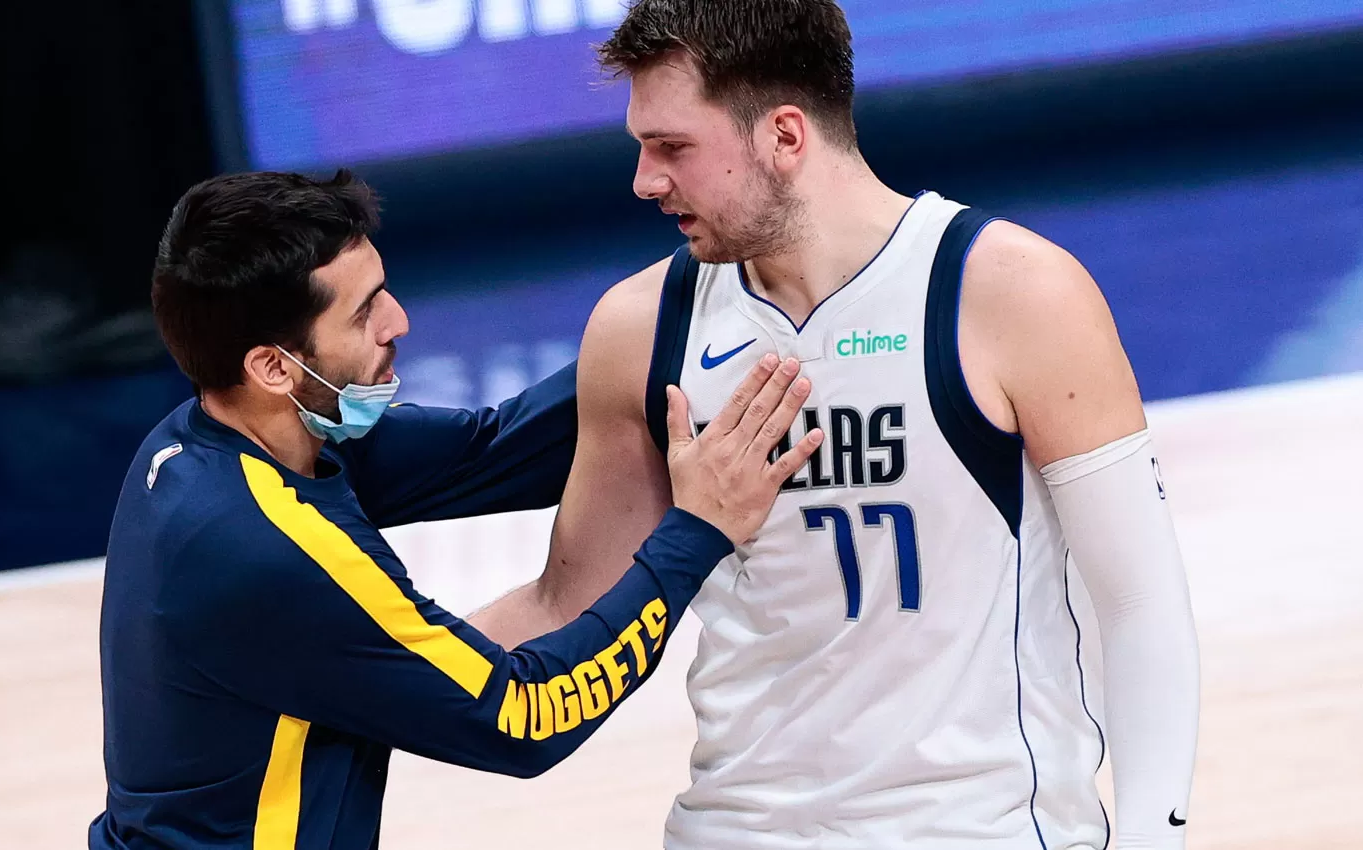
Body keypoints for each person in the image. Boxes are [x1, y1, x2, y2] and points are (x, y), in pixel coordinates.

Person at [466, 2, 1202, 848]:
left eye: (672, 147)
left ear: (784, 135)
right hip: (734, 830)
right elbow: (569, 604)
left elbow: (1139, 600)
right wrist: (344, 659)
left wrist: (1155, 836)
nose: (645, 180)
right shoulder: (641, 327)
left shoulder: (1010, 291)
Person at [89, 169, 823, 849]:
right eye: (365, 312)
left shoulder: (217, 442)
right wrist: (698, 532)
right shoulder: (262, 550)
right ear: (274, 366)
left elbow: (499, 451)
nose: (399, 321)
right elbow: (527, 717)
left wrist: (701, 282)